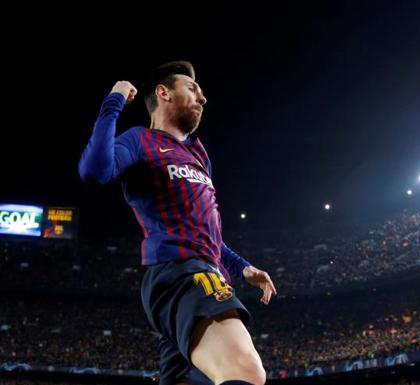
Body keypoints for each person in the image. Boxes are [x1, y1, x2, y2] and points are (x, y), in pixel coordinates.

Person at [79, 61, 276, 385]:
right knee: (246, 371)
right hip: (181, 274)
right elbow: (94, 170)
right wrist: (114, 101)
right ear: (163, 93)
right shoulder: (140, 141)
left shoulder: (198, 155)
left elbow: (207, 235)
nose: (203, 98)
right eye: (193, 89)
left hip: (201, 272)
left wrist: (242, 267)